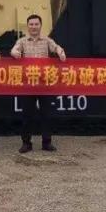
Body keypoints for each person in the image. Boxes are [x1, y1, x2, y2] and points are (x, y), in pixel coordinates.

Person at [10, 13, 67, 153]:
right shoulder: (22, 41)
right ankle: (26, 143)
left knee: (46, 114)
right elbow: (14, 50)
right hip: (28, 84)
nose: (34, 27)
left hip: (44, 83)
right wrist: (14, 52)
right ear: (27, 26)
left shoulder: (47, 40)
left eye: (36, 24)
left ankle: (47, 142)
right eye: (31, 24)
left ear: (40, 26)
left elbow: (56, 47)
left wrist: (61, 52)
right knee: (27, 115)